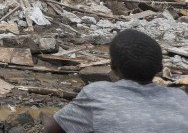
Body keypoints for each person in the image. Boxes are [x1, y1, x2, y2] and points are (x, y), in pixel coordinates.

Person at [44, 29, 188, 133]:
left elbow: (52, 128)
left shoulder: (97, 94)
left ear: (112, 65)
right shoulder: (180, 98)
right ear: (161, 68)